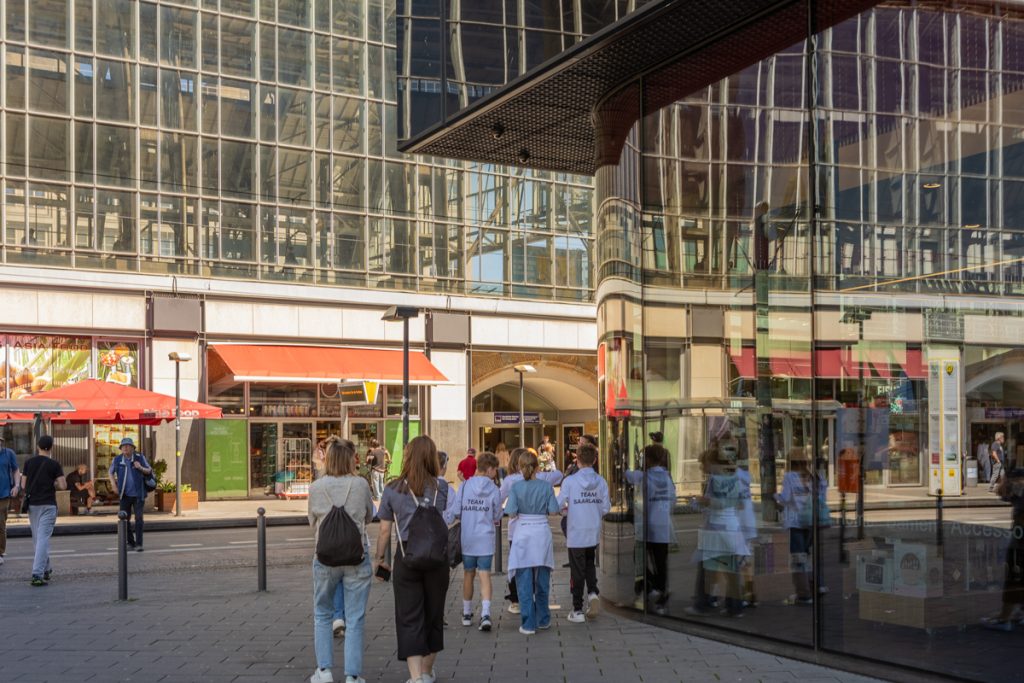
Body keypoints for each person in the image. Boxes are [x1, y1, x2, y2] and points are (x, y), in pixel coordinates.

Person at [374, 435, 452, 683]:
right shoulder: (442, 488)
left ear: (407, 457)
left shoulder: (392, 489)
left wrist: (380, 560)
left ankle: (416, 677)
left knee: (409, 616)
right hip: (437, 559)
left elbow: (385, 530)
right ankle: (428, 672)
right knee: (433, 614)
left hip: (406, 558)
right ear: (432, 457)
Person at [307, 437, 375, 683]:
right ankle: (352, 675)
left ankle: (323, 671)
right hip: (357, 557)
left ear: (328, 459)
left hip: (324, 558)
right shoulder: (361, 485)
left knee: (322, 614)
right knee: (355, 618)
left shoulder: (316, 487)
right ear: (351, 459)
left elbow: (312, 522)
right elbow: (369, 516)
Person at [686, 438, 749, 618]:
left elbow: (718, 503)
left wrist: (703, 501)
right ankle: (734, 606)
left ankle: (703, 603)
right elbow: (738, 503)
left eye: (704, 464)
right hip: (731, 527)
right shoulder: (733, 477)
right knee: (730, 570)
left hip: (716, 528)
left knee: (707, 566)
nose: (702, 468)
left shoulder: (715, 479)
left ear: (712, 463)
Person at [445, 451, 502, 631]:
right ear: (491, 469)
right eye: (496, 470)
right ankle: (485, 614)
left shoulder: (465, 486)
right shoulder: (494, 489)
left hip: (467, 538)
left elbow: (456, 511)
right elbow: (497, 514)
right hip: (485, 538)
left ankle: (467, 613)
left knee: (468, 574)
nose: (496, 473)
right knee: (485, 574)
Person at [505, 450, 560, 635]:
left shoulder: (516, 487)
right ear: (537, 467)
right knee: (542, 578)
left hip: (523, 533)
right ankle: (543, 618)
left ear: (520, 467)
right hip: (541, 532)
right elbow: (553, 510)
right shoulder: (546, 487)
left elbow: (511, 511)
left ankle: (528, 624)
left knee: (524, 579)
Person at [558, 441, 610, 623]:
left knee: (576, 570)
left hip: (575, 531)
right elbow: (606, 507)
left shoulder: (570, 481)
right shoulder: (601, 481)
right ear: (595, 460)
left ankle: (577, 609)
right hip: (593, 530)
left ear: (577, 461)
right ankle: (593, 593)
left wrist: (566, 510)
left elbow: (558, 504)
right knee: (589, 563)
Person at [625, 444, 675, 615]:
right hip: (664, 524)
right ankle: (661, 591)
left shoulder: (644, 476)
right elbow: (673, 499)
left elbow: (628, 475)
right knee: (661, 561)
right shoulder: (667, 477)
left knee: (638, 557)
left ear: (648, 459)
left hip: (648, 525)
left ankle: (651, 586)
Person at [774, 449, 827, 606]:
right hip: (811, 522)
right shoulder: (816, 477)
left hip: (796, 522)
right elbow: (822, 498)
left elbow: (785, 498)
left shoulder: (790, 477)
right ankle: (818, 585)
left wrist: (774, 497)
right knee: (808, 556)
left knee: (798, 559)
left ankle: (803, 594)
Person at [20, 435, 66, 586]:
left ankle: (46, 569)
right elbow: (63, 486)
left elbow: (23, 484)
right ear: (51, 447)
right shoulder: (54, 464)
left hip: (32, 505)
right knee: (43, 539)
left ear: (38, 447)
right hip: (48, 505)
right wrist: (53, 482)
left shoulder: (29, 463)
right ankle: (37, 574)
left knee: (38, 539)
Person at [982, 467, 1024, 631]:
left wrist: (1008, 481)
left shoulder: (1019, 491)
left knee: (1014, 578)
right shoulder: (1019, 491)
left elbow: (1002, 493)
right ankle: (1020, 612)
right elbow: (1002, 494)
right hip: (1019, 540)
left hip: (1020, 543)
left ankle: (1004, 618)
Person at [109, 437, 153, 552]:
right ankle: (130, 542)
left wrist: (140, 467)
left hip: (138, 494)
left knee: (139, 519)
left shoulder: (140, 457)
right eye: (123, 446)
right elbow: (110, 472)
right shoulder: (117, 459)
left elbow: (149, 471)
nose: (126, 448)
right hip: (124, 494)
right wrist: (113, 485)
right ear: (121, 449)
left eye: (128, 446)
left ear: (133, 448)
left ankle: (139, 544)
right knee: (124, 519)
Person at [500, 447, 528, 613]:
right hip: (533, 527)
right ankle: (529, 595)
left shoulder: (510, 480)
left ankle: (516, 599)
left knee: (515, 563)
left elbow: (499, 497)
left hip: (515, 528)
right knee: (531, 562)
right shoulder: (533, 479)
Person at [0, 434, 20, 565]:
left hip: (4, 493)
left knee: (1, 524)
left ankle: (0, 552)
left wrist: (17, 486)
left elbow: (15, 470)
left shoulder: (9, 453)